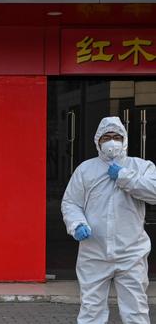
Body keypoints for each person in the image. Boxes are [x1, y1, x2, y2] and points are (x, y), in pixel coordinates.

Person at [62, 116, 156, 324]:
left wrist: (125, 177)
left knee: (136, 311)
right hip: (94, 251)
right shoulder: (86, 170)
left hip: (132, 252)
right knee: (91, 310)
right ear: (98, 141)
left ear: (124, 140)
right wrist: (77, 224)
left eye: (116, 136)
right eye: (106, 137)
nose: (112, 141)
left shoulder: (141, 167)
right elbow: (71, 203)